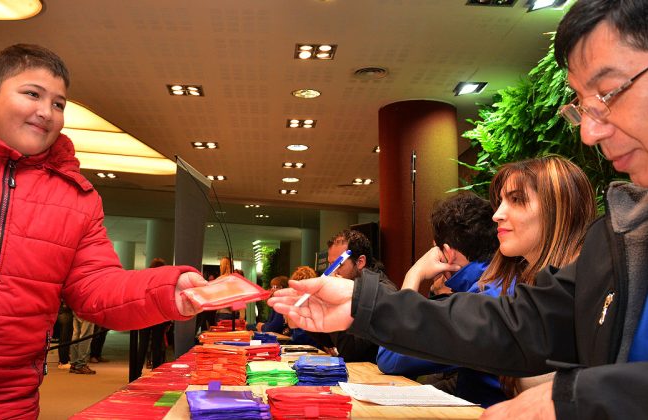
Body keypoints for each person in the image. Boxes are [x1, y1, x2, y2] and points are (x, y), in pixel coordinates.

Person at [271, 2, 648, 417]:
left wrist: (583, 396)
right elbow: (520, 326)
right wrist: (362, 304)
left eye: (608, 93)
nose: (591, 132)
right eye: (583, 108)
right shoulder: (618, 238)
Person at [0, 44, 207, 418]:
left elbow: (96, 288)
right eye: (32, 94)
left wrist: (167, 290)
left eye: (59, 104)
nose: (46, 112)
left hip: (8, 406)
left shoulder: (78, 198)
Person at [382, 159, 596, 407]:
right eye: (500, 202)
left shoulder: (500, 291)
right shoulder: (520, 285)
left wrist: (414, 274)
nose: (497, 214)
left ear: (560, 209)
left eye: (516, 200)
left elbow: (392, 356)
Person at [380, 192, 502, 407]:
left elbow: (390, 359)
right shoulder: (506, 283)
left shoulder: (477, 302)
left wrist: (414, 274)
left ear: (448, 253)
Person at [307, 229, 395, 362]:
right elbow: (328, 341)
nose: (332, 272)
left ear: (360, 262)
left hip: (379, 378)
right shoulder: (353, 286)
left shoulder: (379, 292)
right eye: (330, 265)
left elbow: (350, 352)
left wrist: (334, 301)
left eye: (338, 265)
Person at [137, 257, 171, 370]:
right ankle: (155, 371)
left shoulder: (143, 280)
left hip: (144, 316)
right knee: (156, 345)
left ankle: (136, 372)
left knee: (142, 344)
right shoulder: (164, 282)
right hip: (158, 316)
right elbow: (166, 300)